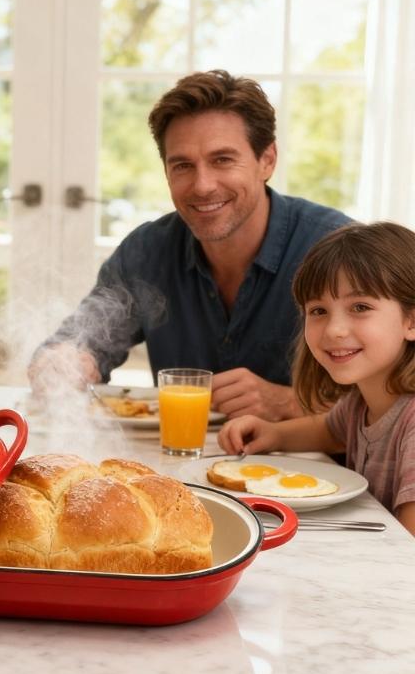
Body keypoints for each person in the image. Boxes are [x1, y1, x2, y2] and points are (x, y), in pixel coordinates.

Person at [29, 69, 352, 421]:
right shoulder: (146, 252)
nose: (202, 186)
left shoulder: (338, 248)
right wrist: (62, 361)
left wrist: (289, 403)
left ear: (267, 160)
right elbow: (80, 340)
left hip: (309, 458)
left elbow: (391, 398)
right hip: (176, 454)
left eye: (222, 160)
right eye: (183, 165)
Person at [218, 222, 415, 535]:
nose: (334, 330)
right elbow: (329, 431)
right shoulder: (361, 403)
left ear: (411, 321)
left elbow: (408, 547)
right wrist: (274, 434)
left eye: (360, 307)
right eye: (319, 311)